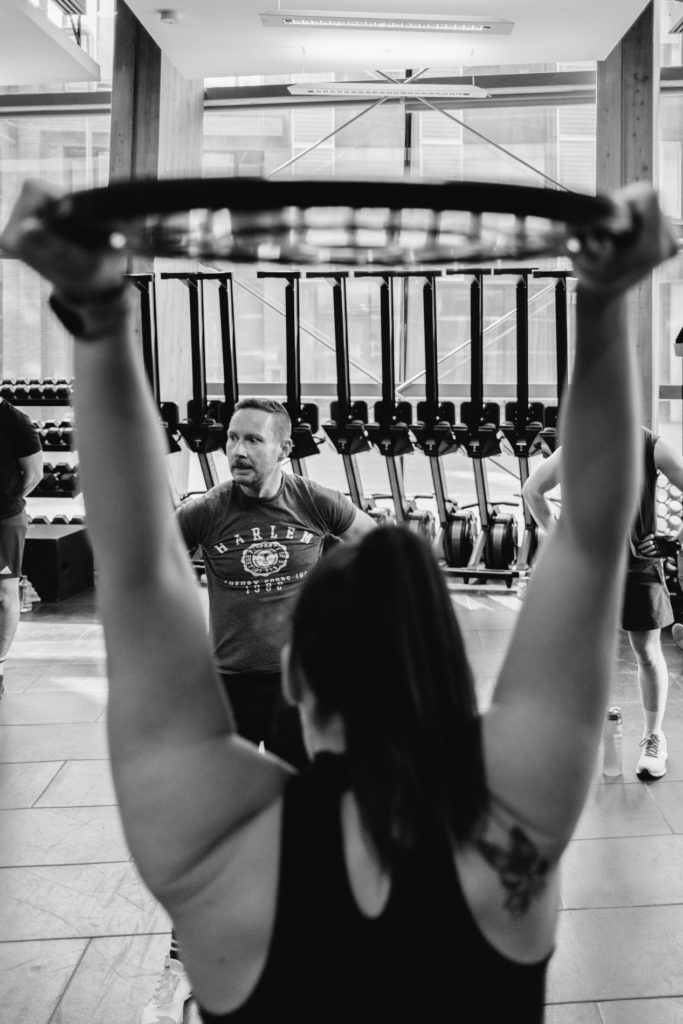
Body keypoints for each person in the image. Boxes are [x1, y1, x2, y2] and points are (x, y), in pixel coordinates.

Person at [0, 178, 677, 1023]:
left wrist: (96, 310)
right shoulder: (511, 824)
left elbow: (137, 566)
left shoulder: (217, 845)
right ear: (447, 669)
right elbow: (590, 537)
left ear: (300, 679)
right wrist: (609, 298)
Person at [147, 396, 374, 1023]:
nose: (238, 451)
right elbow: (145, 564)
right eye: (232, 439)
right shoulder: (209, 509)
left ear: (283, 447)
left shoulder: (315, 500)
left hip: (303, 691)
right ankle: (186, 955)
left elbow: (380, 548)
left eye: (252, 440)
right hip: (232, 686)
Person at [523, 427, 683, 780]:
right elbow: (533, 489)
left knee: (646, 650)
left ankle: (654, 736)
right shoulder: (581, 442)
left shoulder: (651, 446)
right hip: (587, 565)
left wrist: (674, 542)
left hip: (637, 564)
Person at [0, 397, 43, 698]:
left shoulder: (15, 421)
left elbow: (34, 474)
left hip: (3, 522)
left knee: (4, 595)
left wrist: (7, 500)